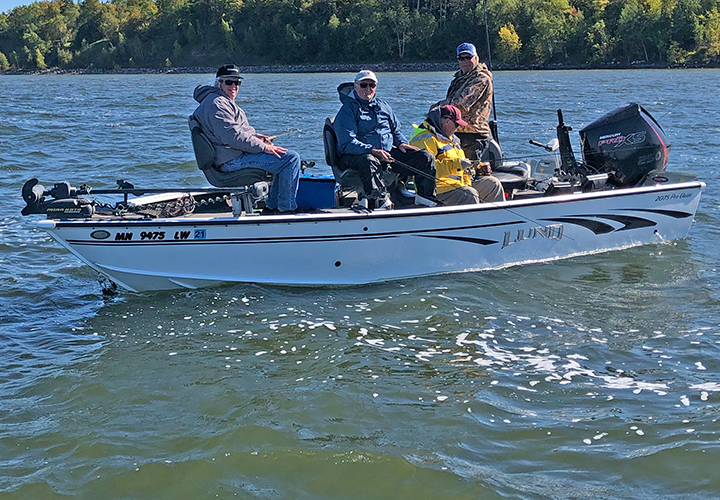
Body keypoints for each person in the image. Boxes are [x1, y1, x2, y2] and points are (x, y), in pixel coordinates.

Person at [191, 64, 300, 214]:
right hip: (230, 162)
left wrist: (256, 137)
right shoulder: (217, 104)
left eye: (237, 82)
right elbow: (233, 137)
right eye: (229, 82)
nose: (234, 86)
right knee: (290, 159)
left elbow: (232, 133)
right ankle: (285, 210)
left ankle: (272, 207)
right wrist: (264, 147)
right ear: (218, 83)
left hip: (232, 156)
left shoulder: (219, 100)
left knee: (283, 157)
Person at [334, 70, 436, 209]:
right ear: (356, 86)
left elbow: (395, 130)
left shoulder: (383, 106)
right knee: (369, 160)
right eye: (364, 85)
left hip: (386, 153)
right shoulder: (347, 110)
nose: (368, 89)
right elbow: (347, 143)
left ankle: (425, 197)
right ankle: (377, 199)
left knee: (425, 157)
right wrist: (373, 150)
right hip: (356, 156)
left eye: (372, 85)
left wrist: (401, 143)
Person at [410, 105, 504, 205]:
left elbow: (460, 164)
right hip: (438, 189)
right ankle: (473, 220)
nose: (457, 129)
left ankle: (500, 219)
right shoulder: (425, 139)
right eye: (456, 125)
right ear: (447, 121)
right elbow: (428, 170)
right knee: (469, 195)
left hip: (460, 184)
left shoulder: (451, 139)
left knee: (493, 185)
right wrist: (458, 165)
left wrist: (477, 168)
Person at [435, 43, 494, 161]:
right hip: (456, 132)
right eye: (461, 58)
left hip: (473, 134)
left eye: (468, 57)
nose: (465, 61)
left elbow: (460, 104)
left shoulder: (481, 79)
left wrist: (437, 107)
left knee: (468, 173)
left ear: (476, 58)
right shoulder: (458, 79)